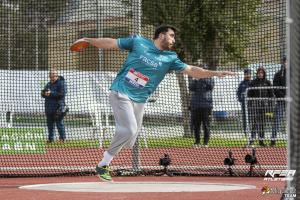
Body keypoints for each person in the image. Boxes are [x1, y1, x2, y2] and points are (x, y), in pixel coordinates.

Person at [71, 25, 236, 181]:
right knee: (129, 129)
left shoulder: (170, 58)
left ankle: (106, 159)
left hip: (140, 100)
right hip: (121, 91)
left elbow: (192, 70)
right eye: (171, 36)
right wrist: (88, 40)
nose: (174, 40)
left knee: (129, 139)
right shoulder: (138, 42)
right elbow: (111, 43)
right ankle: (103, 165)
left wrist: (215, 73)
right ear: (162, 35)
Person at [247, 67, 274, 147]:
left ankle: (261, 141)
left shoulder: (268, 82)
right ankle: (251, 141)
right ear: (257, 74)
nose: (260, 74)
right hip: (255, 105)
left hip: (264, 106)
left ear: (264, 74)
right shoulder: (253, 82)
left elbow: (271, 95)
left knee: (262, 123)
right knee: (255, 123)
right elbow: (250, 94)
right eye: (259, 73)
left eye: (262, 73)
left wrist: (270, 105)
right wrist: (251, 103)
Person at [189, 66, 214, 147]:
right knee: (196, 125)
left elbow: (211, 86)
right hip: (196, 106)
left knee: (206, 125)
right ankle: (197, 142)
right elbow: (191, 88)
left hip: (206, 105)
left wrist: (203, 78)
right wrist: (196, 80)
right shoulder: (196, 79)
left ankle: (205, 143)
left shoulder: (209, 78)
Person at [41, 69, 67, 144]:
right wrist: (43, 93)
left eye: (53, 76)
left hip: (58, 107)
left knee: (59, 124)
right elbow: (43, 93)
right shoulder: (48, 84)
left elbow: (62, 94)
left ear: (56, 75)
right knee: (50, 125)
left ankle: (62, 138)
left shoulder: (61, 83)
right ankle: (50, 139)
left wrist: (51, 93)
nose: (51, 77)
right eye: (50, 76)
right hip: (49, 108)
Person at [271, 56, 287, 147]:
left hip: (291, 102)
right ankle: (273, 140)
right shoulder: (278, 74)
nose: (285, 63)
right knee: (277, 121)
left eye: (287, 61)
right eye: (284, 61)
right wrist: (284, 96)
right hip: (281, 101)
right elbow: (275, 88)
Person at [237, 68, 251, 136]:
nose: (247, 75)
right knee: (245, 118)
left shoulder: (252, 83)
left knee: (252, 117)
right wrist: (241, 99)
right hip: (244, 104)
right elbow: (238, 93)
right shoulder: (242, 83)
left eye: (248, 74)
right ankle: (246, 132)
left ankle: (252, 132)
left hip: (252, 104)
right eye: (246, 74)